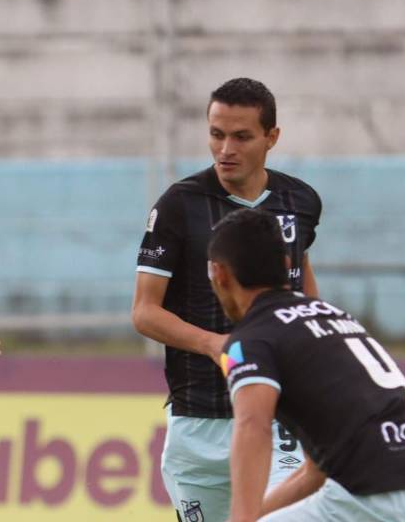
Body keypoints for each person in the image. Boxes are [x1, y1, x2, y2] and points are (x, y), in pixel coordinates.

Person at [131, 77, 321, 521]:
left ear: (271, 137)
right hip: (199, 419)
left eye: (241, 136)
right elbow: (144, 311)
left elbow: (302, 280)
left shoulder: (300, 201)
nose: (225, 149)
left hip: (278, 412)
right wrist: (214, 344)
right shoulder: (180, 205)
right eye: (216, 134)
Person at [210, 208, 405, 521]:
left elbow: (253, 426)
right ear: (286, 265)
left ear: (220, 274)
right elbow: (314, 474)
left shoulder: (249, 339)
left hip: (381, 498)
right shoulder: (335, 316)